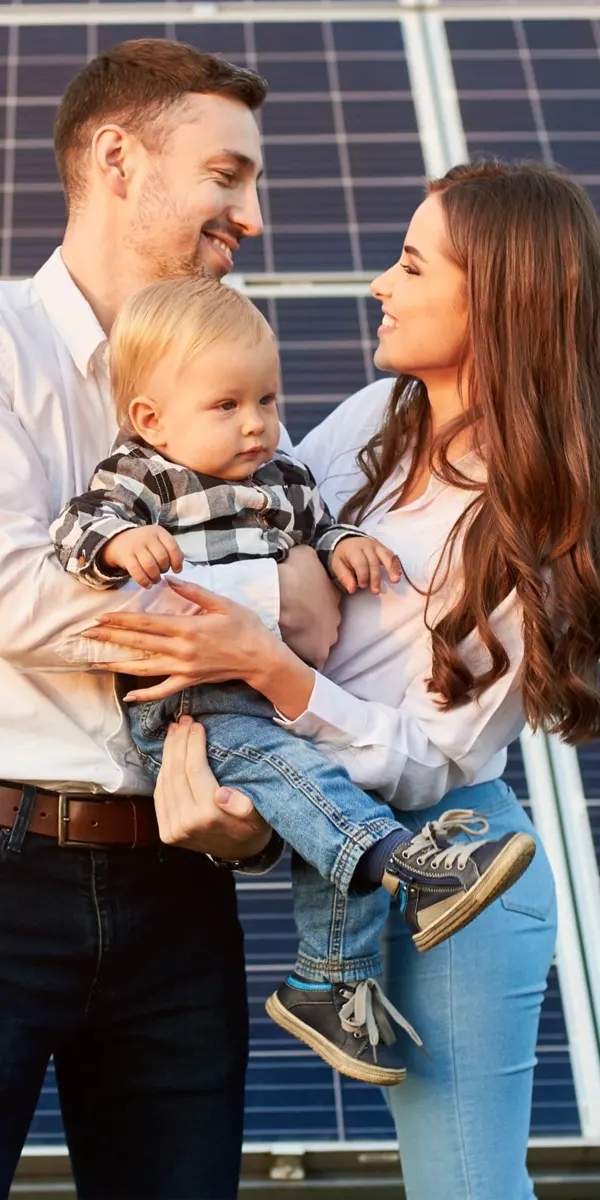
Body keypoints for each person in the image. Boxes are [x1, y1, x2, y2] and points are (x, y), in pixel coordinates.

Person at [89, 159, 600, 1199]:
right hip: (341, 848)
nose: (380, 284)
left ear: (497, 297)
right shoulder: (377, 417)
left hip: (463, 863)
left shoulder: (542, 519)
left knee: (464, 1188)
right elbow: (253, 525)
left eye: (413, 265)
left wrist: (272, 669)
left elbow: (433, 760)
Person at [0, 38, 345, 1200]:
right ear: (116, 160)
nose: (250, 212)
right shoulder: (3, 351)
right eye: (227, 175)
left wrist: (249, 818)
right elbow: (6, 592)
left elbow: (315, 619)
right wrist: (245, 611)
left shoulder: (239, 378)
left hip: (183, 875)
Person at [51, 272, 536, 1084]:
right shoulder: (146, 476)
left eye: (268, 402)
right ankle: (408, 867)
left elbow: (322, 523)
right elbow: (79, 525)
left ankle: (330, 980)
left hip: (272, 700)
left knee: (321, 786)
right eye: (228, 406)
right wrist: (115, 548)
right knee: (306, 778)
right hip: (190, 705)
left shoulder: (281, 473)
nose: (258, 425)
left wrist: (345, 546)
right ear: (150, 419)